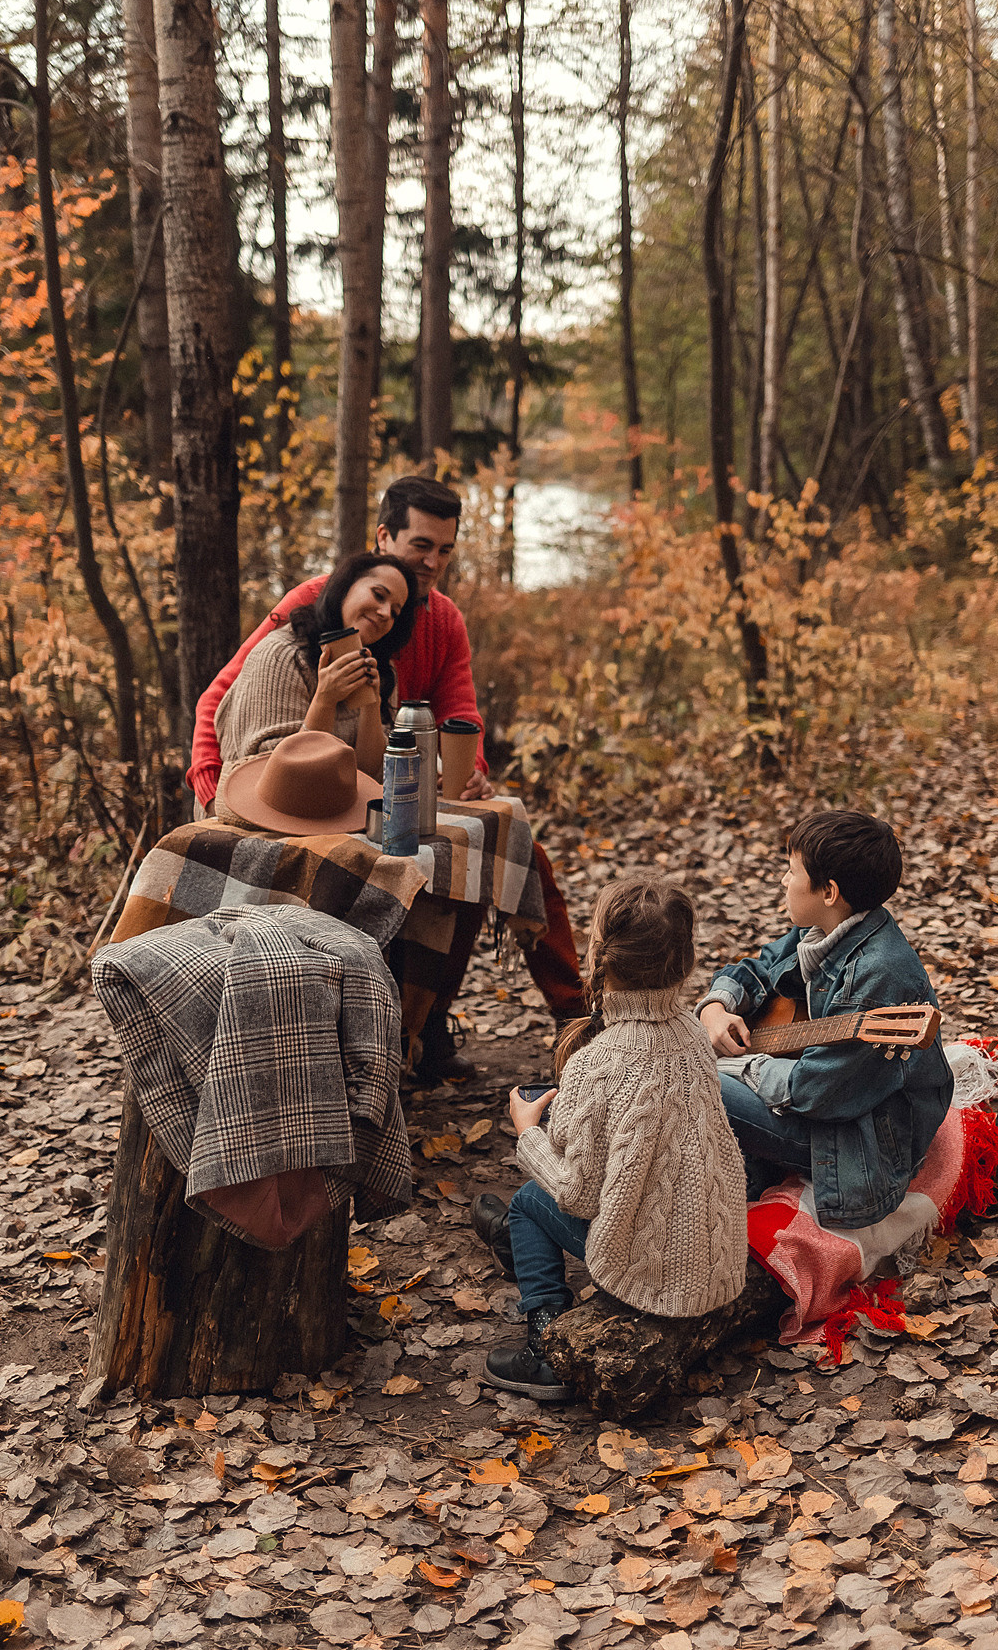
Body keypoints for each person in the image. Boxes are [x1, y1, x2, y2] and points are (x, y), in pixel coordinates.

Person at [188, 475, 585, 1043]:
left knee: (488, 849)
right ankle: (371, 1024)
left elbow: (460, 712)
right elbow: (222, 698)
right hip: (274, 785)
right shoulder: (317, 603)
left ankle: (447, 1021)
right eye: (421, 545)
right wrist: (212, 788)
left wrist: (469, 773)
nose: (433, 562)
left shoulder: (435, 623)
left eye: (445, 550)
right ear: (383, 537)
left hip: (375, 786)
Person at [471, 876, 748, 1402]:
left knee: (532, 1201)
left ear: (600, 955)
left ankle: (546, 1345)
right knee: (538, 1207)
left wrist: (529, 1134)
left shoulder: (596, 1064)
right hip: (719, 1256)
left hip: (653, 1275)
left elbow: (577, 1192)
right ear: (686, 963)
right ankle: (517, 1243)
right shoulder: (692, 1032)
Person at [696, 809, 953, 1229]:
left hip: (858, 1142)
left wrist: (737, 1067)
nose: (783, 880)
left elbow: (817, 1092)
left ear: (829, 891)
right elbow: (759, 967)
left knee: (698, 1084)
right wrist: (715, 1008)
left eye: (791, 870)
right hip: (818, 1099)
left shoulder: (878, 977)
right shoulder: (820, 930)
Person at [213, 551, 419, 787]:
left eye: (395, 612)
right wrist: (325, 699)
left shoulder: (380, 669)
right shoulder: (282, 655)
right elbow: (278, 780)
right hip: (255, 813)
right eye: (378, 595)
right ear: (345, 587)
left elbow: (370, 776)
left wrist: (372, 705)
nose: (385, 613)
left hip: (331, 812)